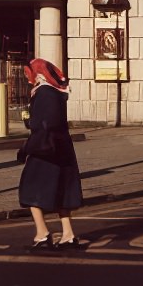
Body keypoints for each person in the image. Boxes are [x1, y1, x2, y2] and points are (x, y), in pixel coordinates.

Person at [16, 58, 84, 252]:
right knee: (61, 191)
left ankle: (42, 234)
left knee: (29, 189)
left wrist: (26, 149)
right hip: (61, 149)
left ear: (38, 74)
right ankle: (68, 235)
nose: (27, 77)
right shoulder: (55, 92)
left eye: (29, 73)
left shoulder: (44, 93)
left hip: (45, 151)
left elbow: (46, 125)